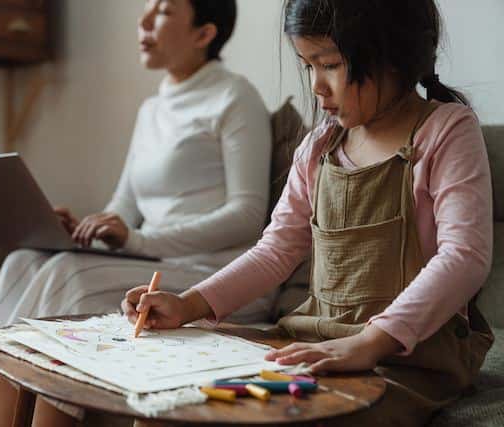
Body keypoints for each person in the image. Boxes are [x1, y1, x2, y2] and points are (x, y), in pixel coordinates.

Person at [123, 0, 494, 425]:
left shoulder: (446, 130)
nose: (317, 86)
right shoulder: (319, 147)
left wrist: (371, 342)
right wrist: (187, 305)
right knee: (168, 397)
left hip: (410, 357)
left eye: (331, 64)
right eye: (308, 66)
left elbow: (464, 257)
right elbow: (276, 250)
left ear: (394, 54)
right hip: (316, 336)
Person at [0, 1, 274, 425]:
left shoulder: (234, 96)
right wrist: (88, 228)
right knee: (20, 263)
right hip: (152, 260)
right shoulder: (151, 109)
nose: (144, 21)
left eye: (165, 11)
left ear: (204, 34)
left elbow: (247, 214)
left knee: (67, 276)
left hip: (210, 274)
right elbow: (124, 206)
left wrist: (136, 240)